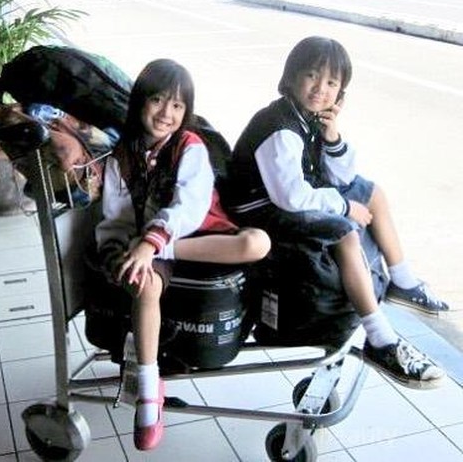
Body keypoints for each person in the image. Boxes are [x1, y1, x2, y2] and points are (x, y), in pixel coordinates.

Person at [229, 36, 447, 390]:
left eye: (332, 83)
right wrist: (344, 206)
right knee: (343, 232)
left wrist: (332, 136)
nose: (321, 89)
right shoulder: (279, 126)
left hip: (285, 200)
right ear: (291, 77)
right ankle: (381, 339)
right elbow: (291, 197)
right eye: (312, 76)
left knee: (373, 194)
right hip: (260, 212)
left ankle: (402, 281)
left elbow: (341, 178)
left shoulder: (309, 119)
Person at [95, 59, 271, 451]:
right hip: (150, 247)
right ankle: (148, 390)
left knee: (257, 243)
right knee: (144, 285)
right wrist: (119, 254)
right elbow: (115, 219)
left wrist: (151, 243)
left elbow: (189, 206)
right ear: (140, 101)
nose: (166, 113)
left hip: (194, 236)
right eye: (158, 100)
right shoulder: (122, 156)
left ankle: (154, 252)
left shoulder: (189, 145)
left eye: (177, 105)